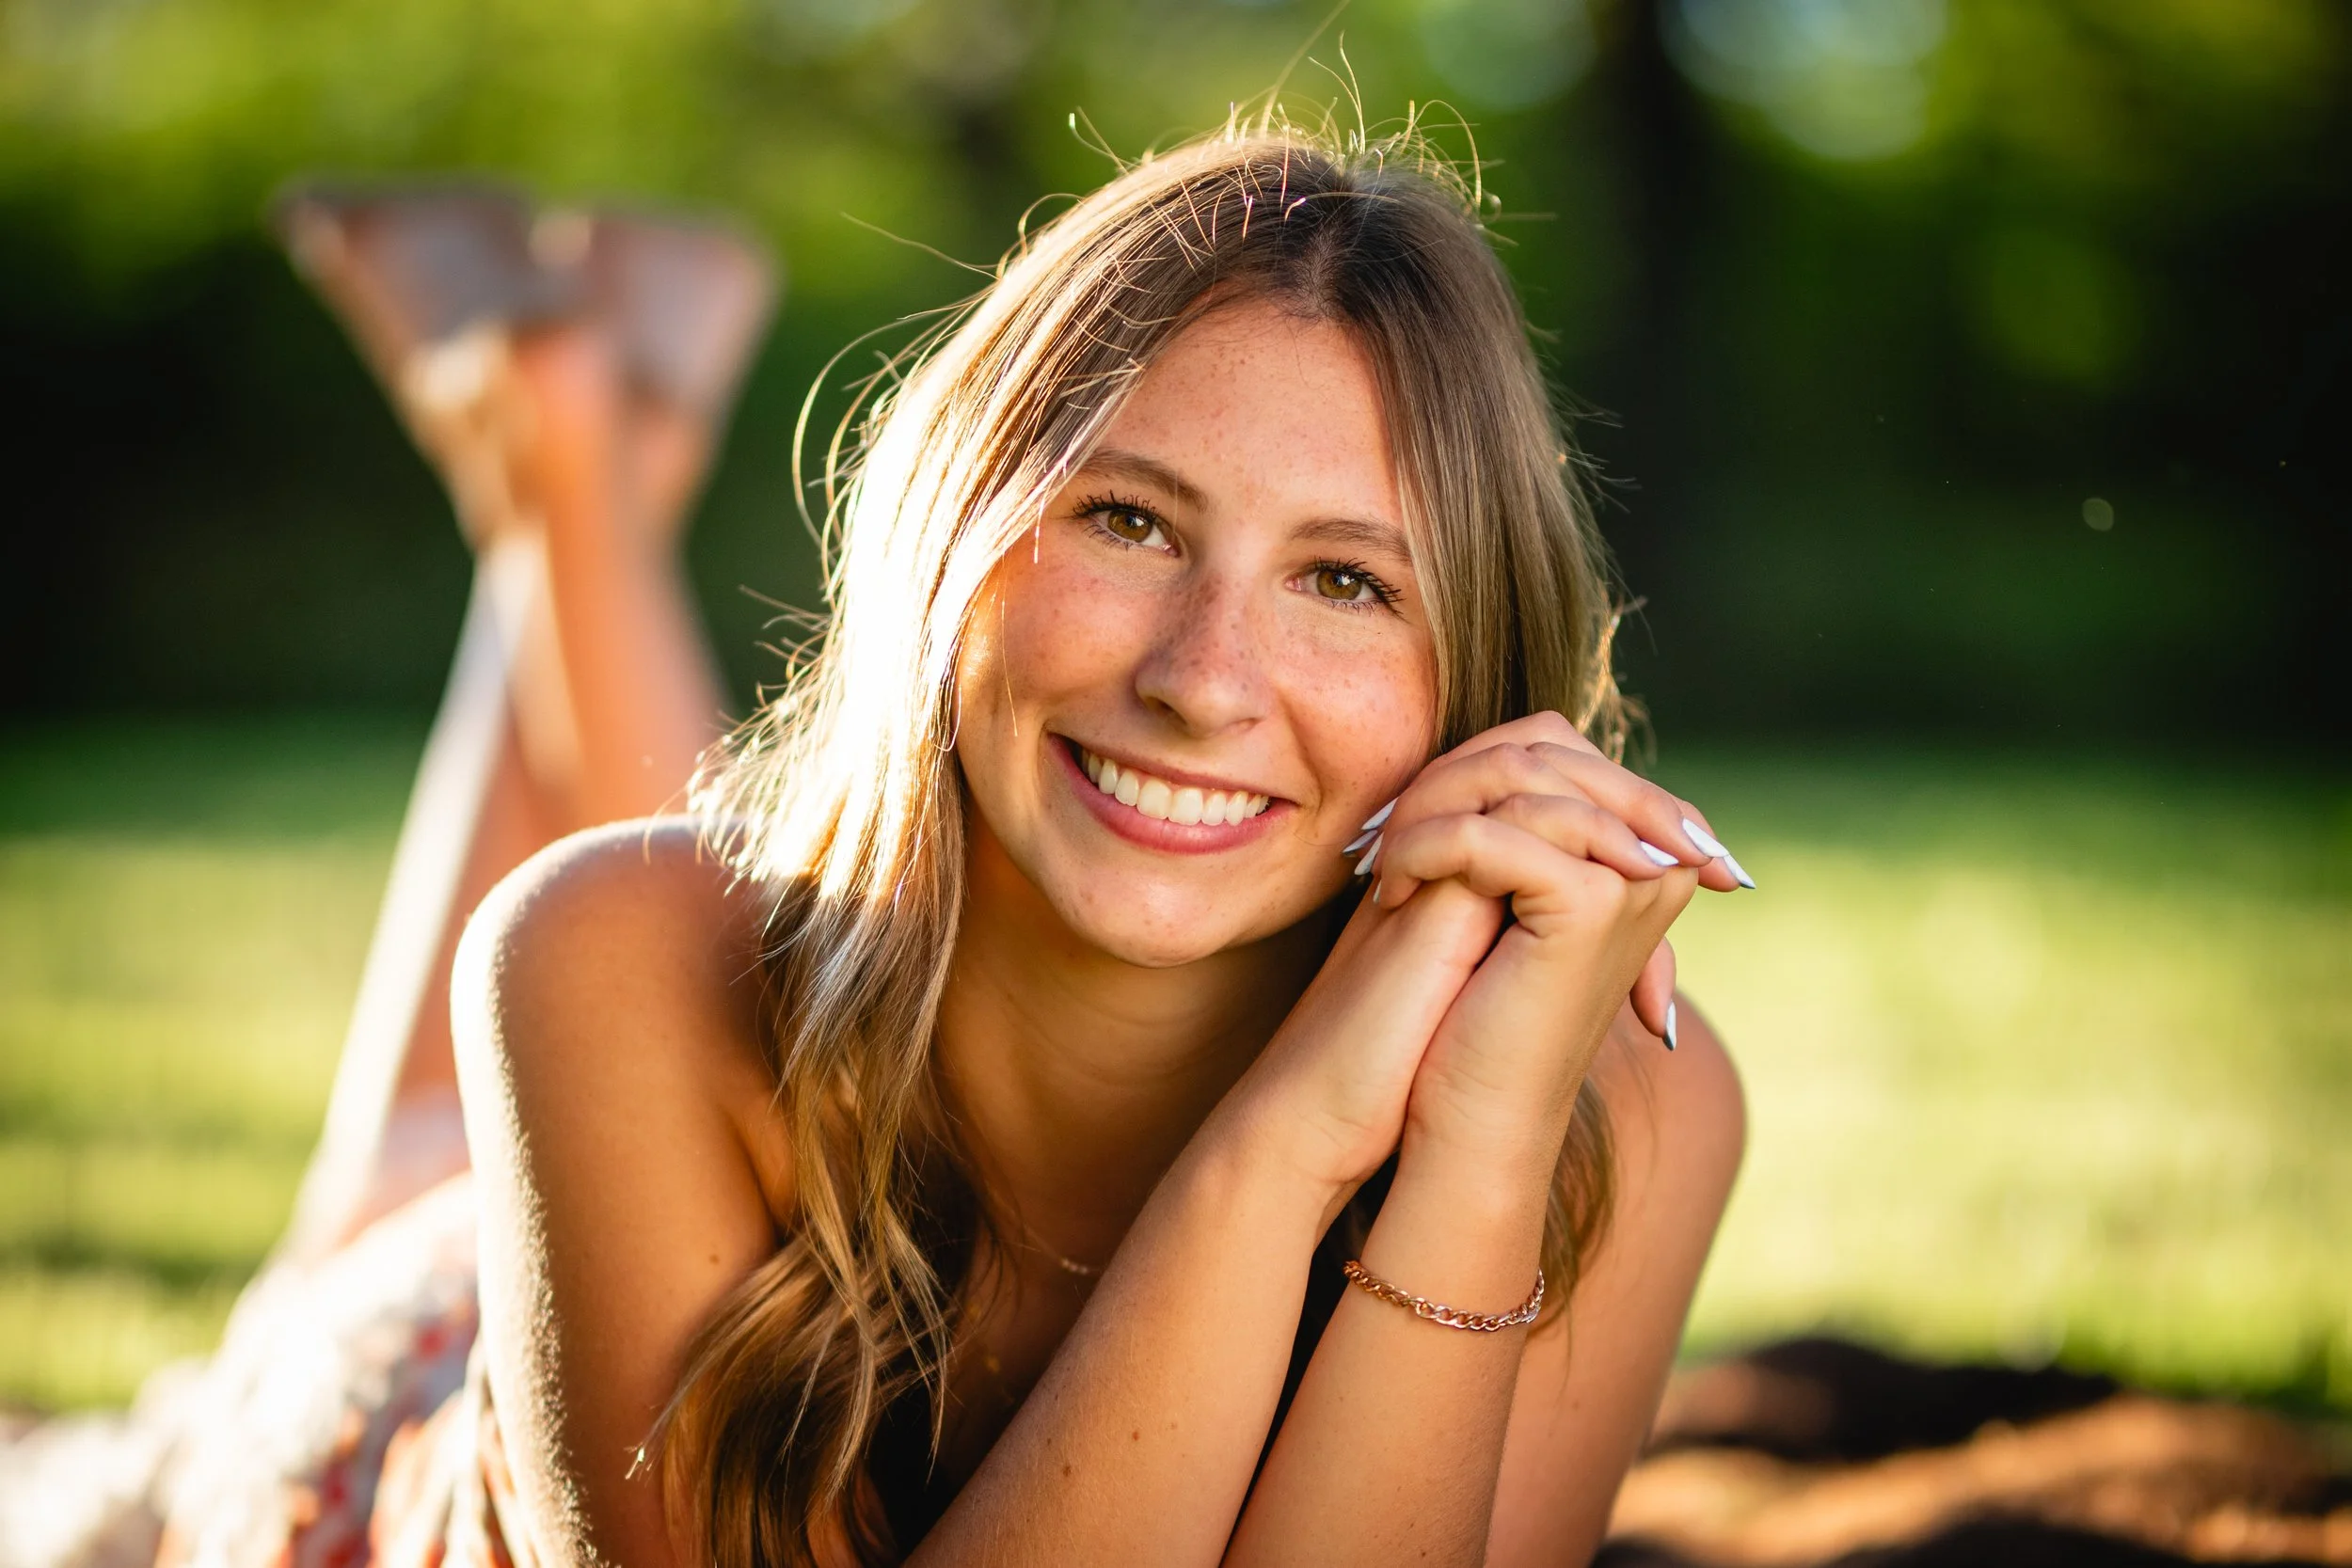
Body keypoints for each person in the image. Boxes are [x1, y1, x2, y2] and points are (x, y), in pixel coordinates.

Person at [153, 119, 1748, 1568]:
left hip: (717, 1066)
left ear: (1480, 683)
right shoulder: (594, 953)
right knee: (490, 1089)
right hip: (407, 1421)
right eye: (1128, 520)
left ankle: (562, 447)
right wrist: (1282, 1145)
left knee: (672, 949)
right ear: (953, 539)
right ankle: (567, 464)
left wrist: (1462, 1147)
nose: (1201, 681)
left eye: (1346, 583)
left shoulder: (1620, 1106)